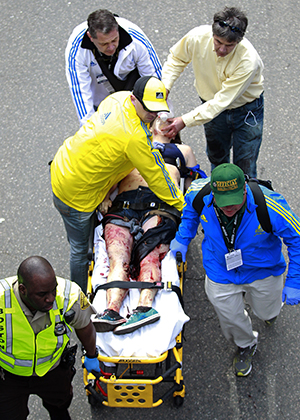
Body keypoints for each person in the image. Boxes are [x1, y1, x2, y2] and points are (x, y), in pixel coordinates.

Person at [50, 76, 183, 292]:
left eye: (157, 110)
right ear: (134, 99)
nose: (153, 115)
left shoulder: (118, 99)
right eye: (148, 109)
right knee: (81, 250)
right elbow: (157, 176)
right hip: (75, 194)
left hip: (65, 163)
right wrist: (181, 206)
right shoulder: (134, 137)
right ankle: (77, 301)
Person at [170, 163, 300, 377]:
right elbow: (190, 212)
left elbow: (296, 239)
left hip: (262, 271)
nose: (228, 207)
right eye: (222, 202)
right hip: (220, 270)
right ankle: (245, 344)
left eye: (233, 200)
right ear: (213, 192)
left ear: (245, 189)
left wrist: (295, 281)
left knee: (267, 311)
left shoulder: (270, 205)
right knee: (229, 316)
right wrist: (182, 238)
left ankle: (267, 313)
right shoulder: (198, 192)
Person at [94, 115, 205, 335]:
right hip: (124, 204)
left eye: (170, 119)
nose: (164, 121)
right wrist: (105, 196)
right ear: (150, 123)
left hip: (160, 206)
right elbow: (114, 174)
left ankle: (144, 307)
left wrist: (188, 211)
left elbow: (194, 184)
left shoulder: (183, 151)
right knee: (118, 258)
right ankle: (111, 311)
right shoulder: (135, 141)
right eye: (160, 118)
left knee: (150, 255)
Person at [161, 6, 264, 178]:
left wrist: (184, 121)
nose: (222, 50)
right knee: (217, 159)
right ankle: (219, 199)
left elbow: (222, 101)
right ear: (212, 33)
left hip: (246, 111)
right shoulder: (196, 37)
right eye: (218, 42)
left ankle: (248, 202)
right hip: (210, 108)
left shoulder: (248, 61)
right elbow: (177, 59)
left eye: (229, 45)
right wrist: (165, 86)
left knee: (246, 168)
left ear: (239, 41)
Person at [0, 256, 100, 420]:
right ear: (23, 290)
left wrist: (91, 355)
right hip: (10, 376)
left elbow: (85, 328)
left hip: (53, 371)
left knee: (59, 407)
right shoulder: (2, 299)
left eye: (53, 290)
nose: (51, 298)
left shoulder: (70, 296)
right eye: (42, 294)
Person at [66, 9, 162, 126]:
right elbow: (80, 92)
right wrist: (90, 131)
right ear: (90, 37)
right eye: (104, 44)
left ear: (117, 28)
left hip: (134, 93)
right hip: (102, 101)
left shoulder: (136, 39)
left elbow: (155, 80)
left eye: (114, 40)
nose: (111, 47)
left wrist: (161, 121)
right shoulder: (76, 51)